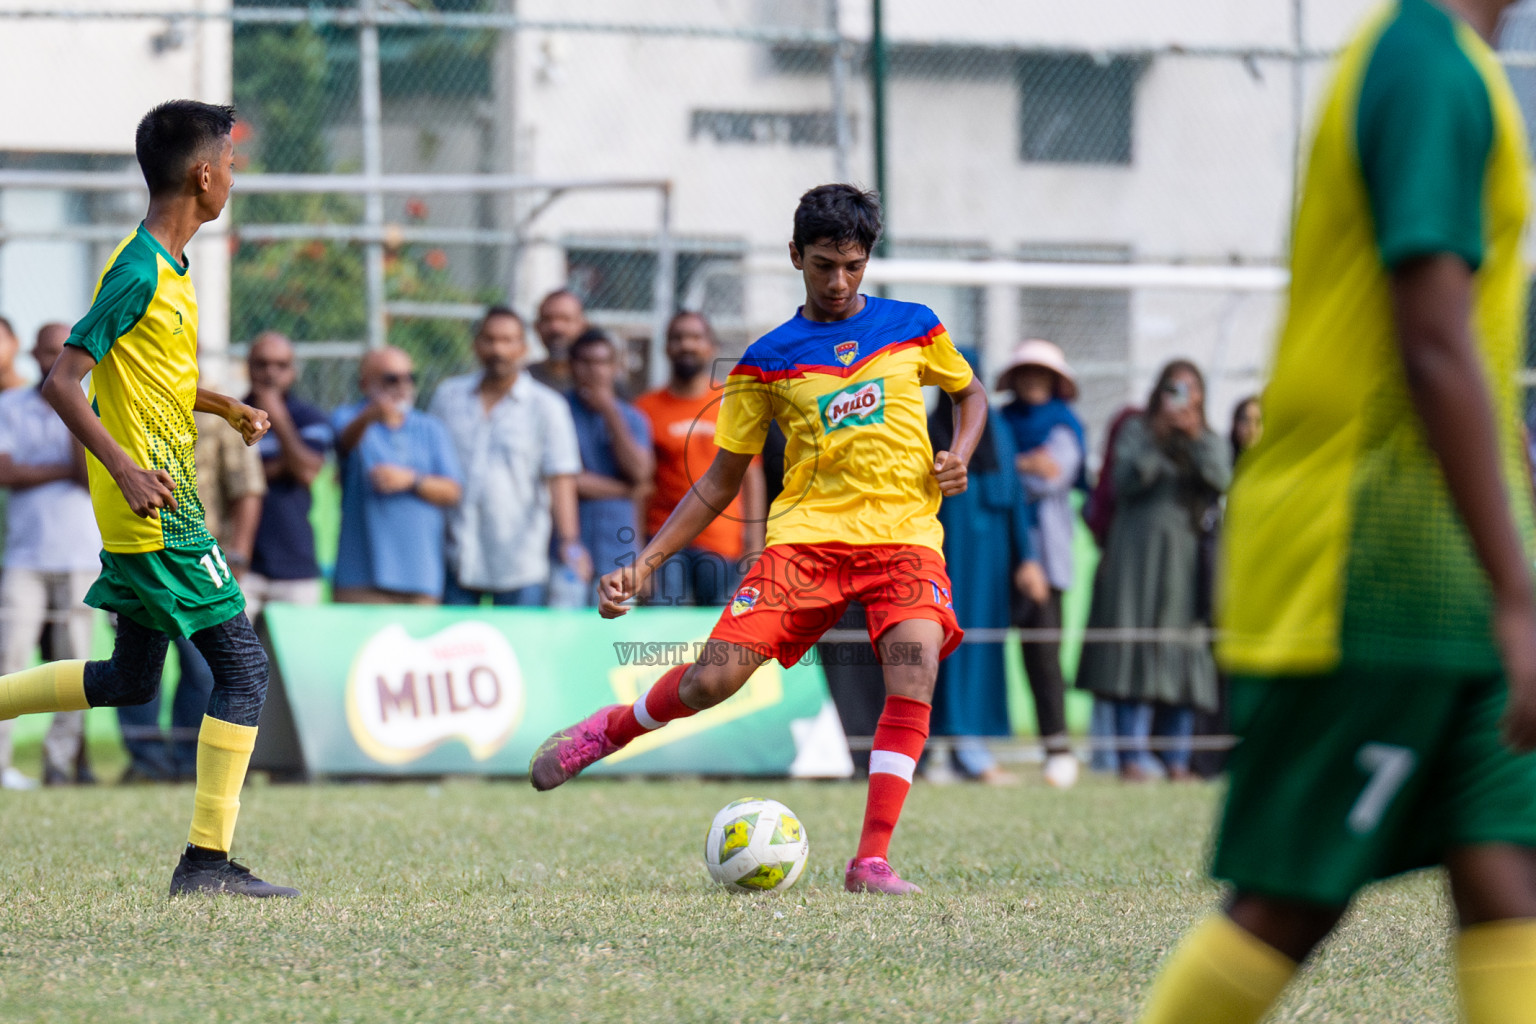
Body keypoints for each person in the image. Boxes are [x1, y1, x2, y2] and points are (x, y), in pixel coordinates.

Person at [1140, 1, 1536, 1019]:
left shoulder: (1461, 69)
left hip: (1449, 565)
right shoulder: (1423, 67)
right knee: (1289, 903)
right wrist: (1520, 590)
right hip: (1363, 562)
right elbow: (1432, 341)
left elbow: (1473, 357)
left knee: (1512, 873)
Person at [530, 183, 980, 896]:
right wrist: (643, 568)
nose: (839, 281)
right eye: (825, 264)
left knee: (914, 669)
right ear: (796, 255)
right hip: (804, 546)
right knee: (713, 680)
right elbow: (717, 481)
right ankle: (611, 729)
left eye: (854, 265)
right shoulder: (764, 360)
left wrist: (960, 451)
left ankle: (870, 861)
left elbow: (970, 394)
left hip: (905, 541)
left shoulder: (916, 326)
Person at [0, 100, 296, 896]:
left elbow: (151, 378)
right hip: (160, 515)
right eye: (230, 163)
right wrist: (128, 470)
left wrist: (222, 403)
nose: (233, 175)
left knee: (131, 679)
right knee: (244, 671)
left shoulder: (169, 267)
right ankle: (206, 863)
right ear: (203, 176)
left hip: (153, 511)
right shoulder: (135, 269)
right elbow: (64, 382)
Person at [1076, 360, 1230, 782]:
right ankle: (1131, 756)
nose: (1181, 399)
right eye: (1173, 389)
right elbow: (1122, 481)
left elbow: (1221, 477)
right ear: (1159, 392)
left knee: (1183, 648)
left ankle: (1178, 760)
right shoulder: (1136, 430)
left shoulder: (1208, 437)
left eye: (1190, 390)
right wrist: (1159, 435)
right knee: (1133, 644)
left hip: (1184, 559)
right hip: (1135, 556)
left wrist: (1194, 437)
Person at [118, 386, 266, 785]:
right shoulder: (125, 394)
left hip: (197, 555)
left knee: (210, 669)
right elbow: (63, 387)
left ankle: (191, 762)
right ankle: (147, 761)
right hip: (140, 552)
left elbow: (246, 487)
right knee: (131, 676)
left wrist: (238, 553)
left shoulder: (213, 405)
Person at [929, 383, 1048, 786]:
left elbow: (1014, 497)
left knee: (982, 650)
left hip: (990, 567)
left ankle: (972, 747)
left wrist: (1027, 557)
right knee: (940, 647)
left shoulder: (996, 431)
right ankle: (939, 750)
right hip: (944, 562)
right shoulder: (928, 431)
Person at [429, 305, 587, 607]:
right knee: (455, 649)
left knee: (520, 652)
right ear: (476, 345)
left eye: (507, 340)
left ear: (523, 348)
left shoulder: (547, 406)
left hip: (519, 561)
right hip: (455, 553)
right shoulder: (448, 397)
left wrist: (569, 541)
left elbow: (561, 478)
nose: (498, 349)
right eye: (489, 340)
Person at [0, 323, 101, 787]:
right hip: (25, 555)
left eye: (60, 352)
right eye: (46, 352)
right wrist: (58, 469)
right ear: (32, 354)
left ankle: (59, 764)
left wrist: (70, 410)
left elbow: (82, 478)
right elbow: (7, 473)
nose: (51, 360)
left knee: (76, 666)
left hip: (81, 554)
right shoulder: (9, 406)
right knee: (8, 659)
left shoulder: (91, 407)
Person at [997, 339, 1087, 789]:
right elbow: (995, 475)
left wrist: (1010, 469)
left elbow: (1052, 476)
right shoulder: (998, 421)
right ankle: (964, 748)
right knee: (982, 650)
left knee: (1044, 658)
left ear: (1055, 381)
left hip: (1047, 565)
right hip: (998, 558)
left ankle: (1057, 747)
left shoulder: (1066, 426)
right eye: (1025, 372)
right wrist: (1021, 467)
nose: (1033, 381)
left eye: (1042, 373)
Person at [635, 311, 765, 605]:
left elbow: (752, 476)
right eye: (678, 338)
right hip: (664, 544)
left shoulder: (731, 404)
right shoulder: (645, 409)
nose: (686, 345)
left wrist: (755, 545)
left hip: (723, 542)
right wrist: (638, 552)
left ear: (711, 347)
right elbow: (640, 487)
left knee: (720, 635)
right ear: (666, 347)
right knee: (663, 637)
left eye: (695, 337)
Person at [333, 346, 463, 605]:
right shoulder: (348, 418)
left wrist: (411, 480)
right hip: (359, 579)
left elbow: (453, 491)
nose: (402, 385)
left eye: (409, 378)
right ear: (365, 383)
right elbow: (343, 444)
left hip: (420, 578)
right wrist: (370, 415)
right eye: (391, 378)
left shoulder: (430, 428)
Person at [243, 331, 331, 618]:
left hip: (295, 564)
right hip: (240, 563)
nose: (271, 373)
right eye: (262, 364)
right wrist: (283, 465)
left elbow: (306, 472)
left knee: (295, 663)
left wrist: (277, 417)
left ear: (293, 371)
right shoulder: (228, 414)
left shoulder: (309, 417)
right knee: (233, 662)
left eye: (280, 365)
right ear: (248, 366)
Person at [566, 328, 652, 602]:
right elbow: (568, 480)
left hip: (619, 551)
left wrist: (610, 410)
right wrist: (626, 490)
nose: (594, 371)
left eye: (602, 362)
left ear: (615, 367)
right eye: (586, 362)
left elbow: (640, 472)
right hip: (569, 551)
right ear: (572, 366)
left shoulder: (633, 417)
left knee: (615, 639)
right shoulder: (557, 411)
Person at [529, 289, 588, 392]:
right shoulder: (524, 379)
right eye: (547, 319)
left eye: (565, 319)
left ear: (582, 326)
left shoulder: (601, 381)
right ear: (536, 327)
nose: (555, 328)